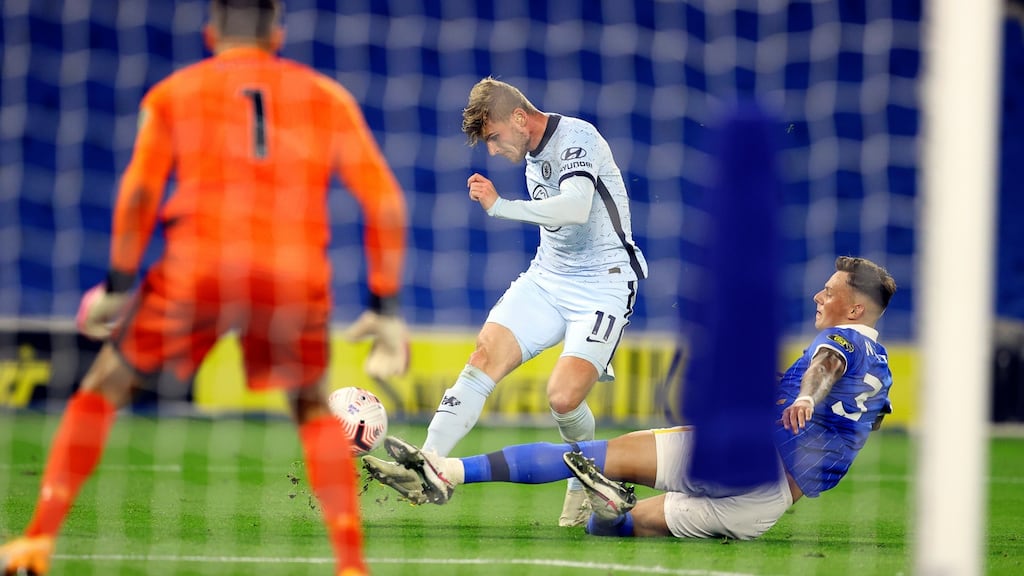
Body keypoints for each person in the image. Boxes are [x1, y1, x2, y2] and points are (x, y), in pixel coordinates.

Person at [0, 1, 407, 575]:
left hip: (198, 265)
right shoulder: (326, 97)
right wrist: (384, 304)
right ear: (279, 32)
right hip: (290, 272)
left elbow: (140, 191)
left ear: (210, 30)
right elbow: (384, 201)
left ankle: (36, 542)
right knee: (313, 408)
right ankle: (350, 566)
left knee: (103, 386)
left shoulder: (172, 94)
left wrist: (118, 284)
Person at [365, 256, 896, 540]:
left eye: (830, 291)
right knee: (615, 527)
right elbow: (863, 421)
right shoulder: (885, 374)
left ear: (855, 311)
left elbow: (827, 367)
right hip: (764, 509)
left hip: (740, 459)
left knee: (588, 456)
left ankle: (448, 472)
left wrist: (805, 396)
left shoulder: (839, 341)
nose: (819, 297)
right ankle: (609, 503)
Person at [404, 76, 648, 527]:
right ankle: (427, 465)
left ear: (519, 117)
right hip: (548, 278)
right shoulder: (532, 152)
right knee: (483, 356)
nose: (492, 151)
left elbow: (576, 207)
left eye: (493, 138)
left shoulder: (578, 137)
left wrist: (501, 207)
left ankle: (582, 481)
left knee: (562, 397)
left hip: (605, 283)